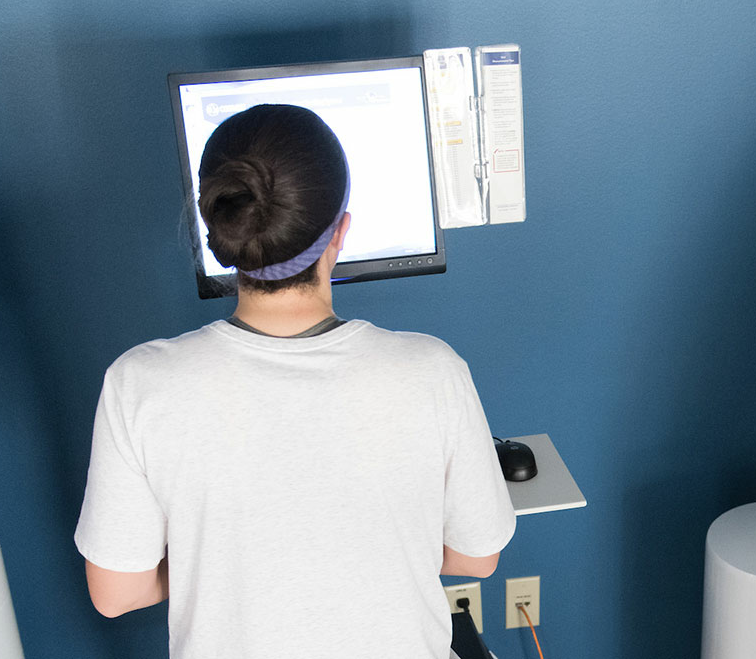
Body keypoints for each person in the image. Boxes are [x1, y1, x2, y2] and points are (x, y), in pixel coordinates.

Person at [74, 104, 514, 658]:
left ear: (221, 228)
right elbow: (478, 558)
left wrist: (219, 561)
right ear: (341, 233)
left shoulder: (139, 385)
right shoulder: (433, 371)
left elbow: (117, 593)